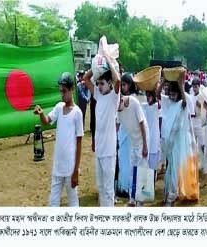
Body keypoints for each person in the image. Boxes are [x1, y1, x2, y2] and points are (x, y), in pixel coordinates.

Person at [34, 72, 83, 207]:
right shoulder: (58, 107)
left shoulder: (77, 113)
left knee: (73, 201)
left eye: (65, 91)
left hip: (70, 166)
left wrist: (76, 171)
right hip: (58, 165)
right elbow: (46, 121)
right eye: (61, 91)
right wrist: (41, 113)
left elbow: (79, 143)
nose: (62, 94)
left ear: (72, 89)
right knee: (53, 201)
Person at [83, 53, 121, 207]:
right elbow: (85, 79)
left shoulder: (114, 97)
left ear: (109, 83)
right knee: (100, 188)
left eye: (102, 83)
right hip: (99, 149)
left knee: (108, 189)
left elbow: (118, 80)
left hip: (109, 152)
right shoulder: (98, 95)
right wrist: (96, 67)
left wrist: (108, 58)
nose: (99, 86)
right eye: (98, 83)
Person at [157, 69, 197, 206]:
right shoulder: (168, 102)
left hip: (180, 141)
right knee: (170, 168)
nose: (172, 96)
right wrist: (163, 81)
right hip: (170, 142)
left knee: (175, 169)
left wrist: (181, 84)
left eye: (175, 94)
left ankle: (172, 197)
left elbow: (184, 101)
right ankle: (169, 194)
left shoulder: (183, 103)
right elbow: (157, 94)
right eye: (171, 93)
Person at [117, 89, 149, 206]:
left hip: (142, 138)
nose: (118, 111)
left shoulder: (134, 102)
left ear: (121, 100)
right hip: (133, 140)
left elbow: (142, 124)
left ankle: (141, 200)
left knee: (142, 168)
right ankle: (132, 198)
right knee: (132, 168)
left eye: (118, 108)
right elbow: (118, 124)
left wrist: (145, 146)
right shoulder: (118, 108)